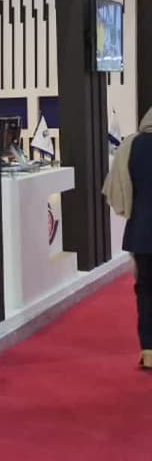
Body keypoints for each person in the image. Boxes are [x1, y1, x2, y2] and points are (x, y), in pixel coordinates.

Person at [103, 108, 152, 369]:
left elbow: (116, 190)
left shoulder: (131, 145)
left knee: (145, 290)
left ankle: (149, 351)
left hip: (142, 232)